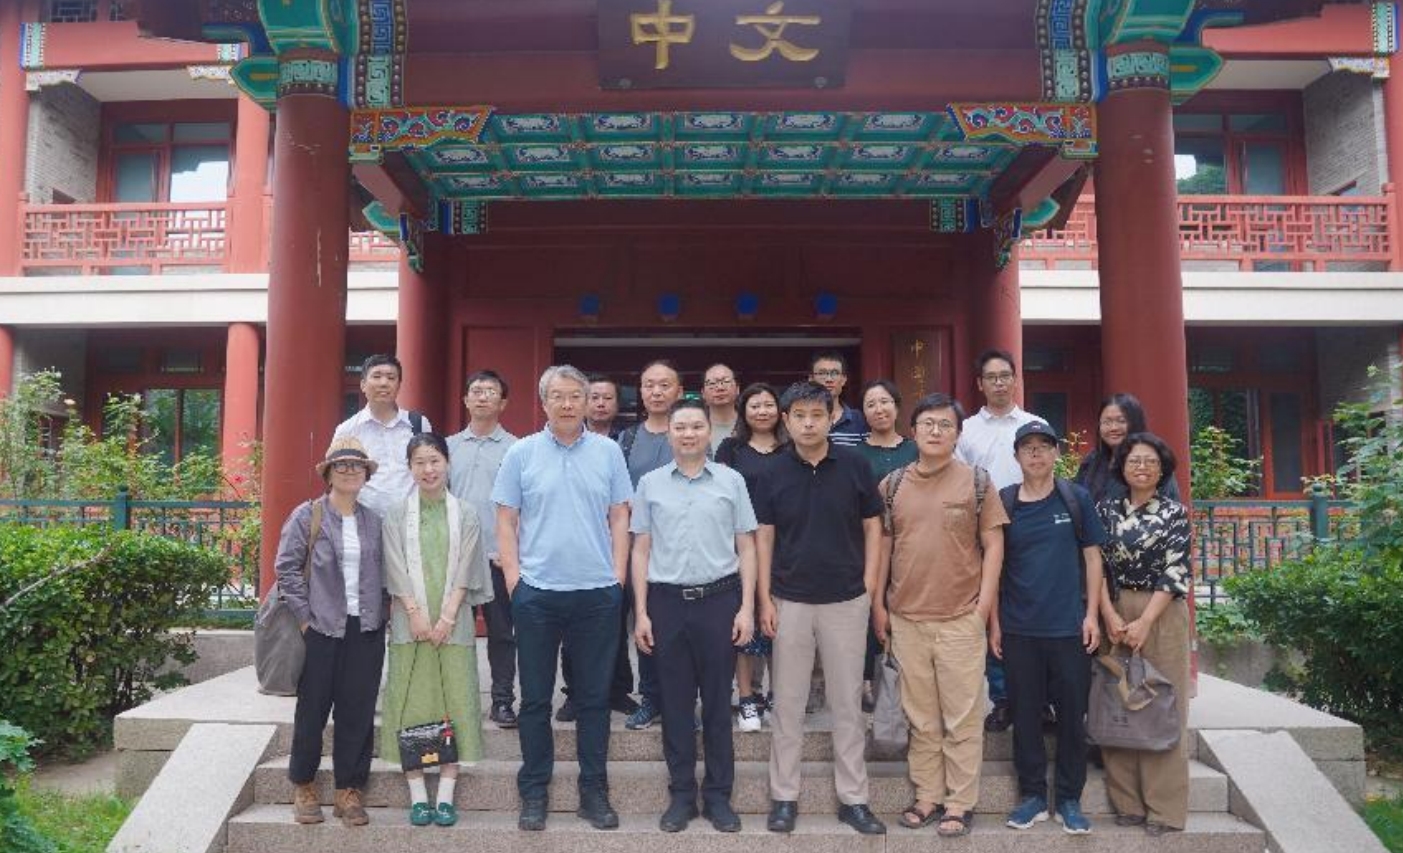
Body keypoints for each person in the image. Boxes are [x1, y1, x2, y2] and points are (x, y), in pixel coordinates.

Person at [493, 365, 633, 832]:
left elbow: (620, 516)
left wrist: (617, 577)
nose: (568, 403)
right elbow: (506, 519)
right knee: (535, 699)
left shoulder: (608, 452)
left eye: (576, 395)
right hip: (537, 593)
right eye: (559, 395)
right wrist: (514, 580)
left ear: (587, 400)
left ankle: (594, 791)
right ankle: (534, 790)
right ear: (544, 402)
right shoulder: (521, 453)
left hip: (597, 592)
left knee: (594, 699)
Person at [872, 393, 1007, 838]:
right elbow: (884, 548)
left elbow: (994, 546)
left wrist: (983, 608)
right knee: (921, 717)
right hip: (906, 617)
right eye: (927, 424)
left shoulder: (977, 482)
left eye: (945, 425)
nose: (935, 431)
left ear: (957, 434)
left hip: (960, 618)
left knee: (962, 717)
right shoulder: (893, 484)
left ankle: (960, 802)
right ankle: (927, 795)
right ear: (913, 431)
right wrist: (878, 605)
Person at [756, 381, 886, 836]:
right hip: (790, 599)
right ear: (786, 420)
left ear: (832, 417)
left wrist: (869, 586)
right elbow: (764, 537)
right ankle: (784, 796)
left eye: (817, 414)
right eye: (799, 416)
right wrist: (764, 598)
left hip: (847, 600)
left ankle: (854, 799)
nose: (808, 423)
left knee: (847, 704)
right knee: (788, 703)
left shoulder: (855, 464)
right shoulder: (773, 470)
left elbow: (874, 528)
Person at [632, 399, 758, 833]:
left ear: (709, 432)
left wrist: (747, 607)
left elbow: (747, 546)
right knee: (675, 702)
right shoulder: (650, 484)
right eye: (680, 427)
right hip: (666, 603)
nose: (688, 434)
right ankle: (682, 795)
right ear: (668, 433)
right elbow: (641, 549)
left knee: (719, 702)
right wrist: (641, 612)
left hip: (719, 601)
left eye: (696, 427)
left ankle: (719, 796)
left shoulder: (731, 480)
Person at [995, 422, 1106, 835]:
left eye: (1044, 446)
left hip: (1068, 627)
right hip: (1019, 627)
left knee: (1072, 716)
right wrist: (994, 623)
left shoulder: (1075, 499)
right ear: (1017, 456)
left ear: (1056, 453)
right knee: (1025, 714)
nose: (1036, 453)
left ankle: (1070, 798)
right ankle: (1033, 796)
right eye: (1028, 447)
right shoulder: (1005, 502)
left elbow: (1093, 559)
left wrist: (1091, 615)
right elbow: (994, 566)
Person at [381, 433, 493, 828]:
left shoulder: (467, 514)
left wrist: (446, 617)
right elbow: (394, 566)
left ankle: (445, 796)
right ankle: (417, 796)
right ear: (409, 468)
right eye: (420, 462)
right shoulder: (396, 514)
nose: (428, 470)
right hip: (408, 622)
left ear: (447, 463)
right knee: (409, 702)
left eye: (435, 461)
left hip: (453, 622)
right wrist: (414, 613)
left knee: (456, 701)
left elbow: (466, 569)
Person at [277, 437, 386, 829]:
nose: (350, 471)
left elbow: (387, 572)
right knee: (313, 709)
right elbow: (286, 568)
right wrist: (306, 619)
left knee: (358, 711)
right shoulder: (308, 515)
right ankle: (304, 784)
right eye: (342, 465)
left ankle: (348, 790)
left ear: (366, 474)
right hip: (321, 626)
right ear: (328, 473)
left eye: (357, 466)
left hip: (367, 627)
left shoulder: (374, 520)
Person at [1096, 432, 1193, 837]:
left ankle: (1164, 809)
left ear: (1162, 469)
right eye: (1134, 460)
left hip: (1161, 611)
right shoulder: (1105, 510)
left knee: (1163, 706)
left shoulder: (1174, 513)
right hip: (1114, 609)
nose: (1142, 467)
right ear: (1122, 466)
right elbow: (1095, 565)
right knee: (1117, 701)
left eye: (1151, 461)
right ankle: (1127, 803)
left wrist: (1145, 621)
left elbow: (1175, 571)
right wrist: (1107, 614)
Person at [955, 348, 1045, 732]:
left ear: (1015, 379)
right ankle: (1003, 697)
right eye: (991, 377)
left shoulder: (1035, 424)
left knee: (1032, 607)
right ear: (980, 384)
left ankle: (1039, 698)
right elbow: (960, 481)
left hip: (1031, 524)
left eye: (1005, 376)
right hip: (982, 529)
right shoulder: (966, 430)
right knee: (992, 607)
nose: (999, 383)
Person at [614, 359, 686, 730]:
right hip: (636, 548)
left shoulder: (690, 434)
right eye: (649, 385)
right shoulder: (626, 440)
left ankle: (682, 700)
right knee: (643, 622)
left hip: (682, 547)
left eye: (664, 385)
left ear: (679, 391)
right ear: (640, 391)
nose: (656, 392)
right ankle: (651, 697)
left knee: (680, 627)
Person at [446, 370, 518, 728]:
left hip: (496, 556)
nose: (482, 396)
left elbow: (526, 505)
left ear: (503, 403)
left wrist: (513, 552)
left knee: (502, 633)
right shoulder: (447, 447)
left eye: (490, 391)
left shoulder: (517, 448)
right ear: (465, 400)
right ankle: (452, 700)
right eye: (475, 391)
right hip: (453, 556)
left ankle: (502, 701)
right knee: (451, 630)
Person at [716, 382, 786, 732]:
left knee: (779, 623)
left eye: (768, 404)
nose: (762, 411)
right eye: (754, 405)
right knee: (743, 621)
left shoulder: (792, 448)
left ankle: (777, 695)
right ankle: (746, 697)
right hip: (739, 545)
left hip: (785, 546)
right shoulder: (731, 449)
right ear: (743, 411)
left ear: (780, 410)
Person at [856, 379, 918, 712]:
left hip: (911, 543)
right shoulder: (854, 455)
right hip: (866, 543)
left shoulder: (915, 450)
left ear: (896, 406)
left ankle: (906, 677)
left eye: (884, 402)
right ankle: (867, 679)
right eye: (871, 404)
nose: (879, 409)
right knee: (869, 607)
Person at [333, 354, 432, 517]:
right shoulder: (348, 430)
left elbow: (430, 470)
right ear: (363, 385)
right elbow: (337, 478)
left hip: (412, 520)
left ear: (399, 385)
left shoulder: (419, 424)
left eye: (391, 378)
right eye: (377, 376)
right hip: (365, 522)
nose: (384, 383)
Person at [1076, 393, 1182, 503]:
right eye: (1106, 422)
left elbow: (1169, 505)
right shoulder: (1092, 460)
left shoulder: (1153, 461)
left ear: (1135, 422)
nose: (1113, 428)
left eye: (1121, 421)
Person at [809, 351, 868, 447]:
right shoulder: (803, 419)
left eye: (835, 373)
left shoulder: (859, 419)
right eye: (822, 373)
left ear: (844, 379)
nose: (829, 379)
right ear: (811, 379)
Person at [702, 363, 740, 451]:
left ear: (737, 389)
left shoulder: (752, 424)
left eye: (726, 381)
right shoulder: (694, 428)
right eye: (712, 383)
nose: (720, 388)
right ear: (703, 393)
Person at [586, 373, 622, 438]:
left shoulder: (629, 437)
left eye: (608, 398)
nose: (601, 403)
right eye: (594, 397)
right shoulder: (570, 434)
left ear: (617, 404)